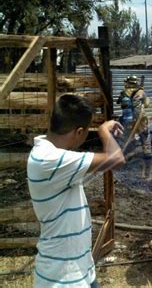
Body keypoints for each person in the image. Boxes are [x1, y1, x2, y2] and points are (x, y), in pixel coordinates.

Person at [27, 95, 125, 287]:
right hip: (62, 278)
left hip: (81, 268)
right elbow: (116, 159)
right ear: (79, 132)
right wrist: (104, 130)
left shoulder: (51, 155)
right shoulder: (50, 160)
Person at [117, 75, 152, 180]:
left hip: (127, 121)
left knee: (124, 141)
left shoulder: (123, 92)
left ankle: (121, 166)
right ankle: (147, 174)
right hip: (141, 121)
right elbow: (146, 104)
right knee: (146, 143)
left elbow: (121, 104)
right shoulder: (141, 92)